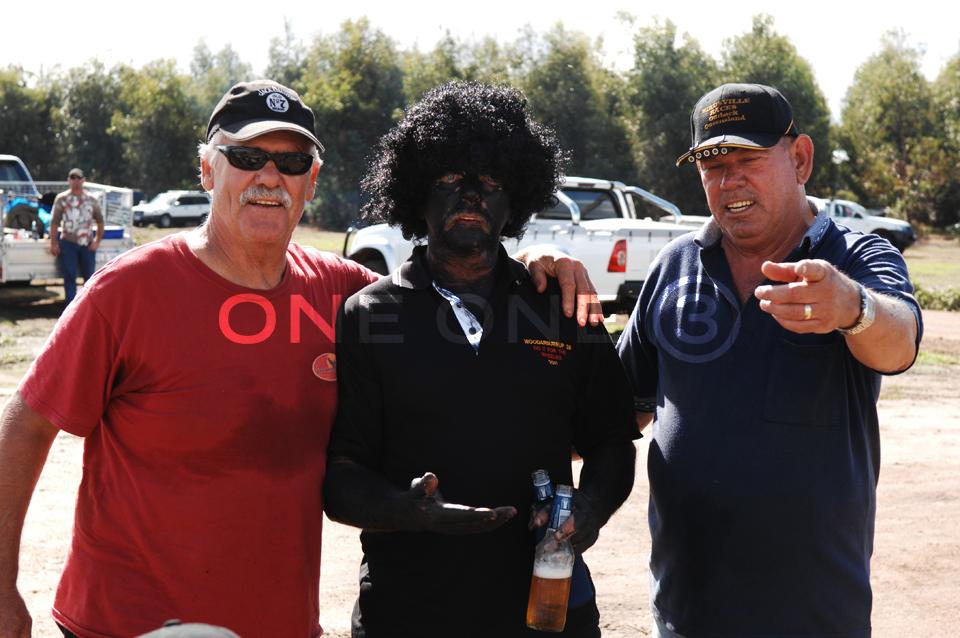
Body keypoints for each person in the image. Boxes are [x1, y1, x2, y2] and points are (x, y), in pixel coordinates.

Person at [0, 80, 599, 638]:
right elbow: (26, 425)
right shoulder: (129, 291)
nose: (270, 177)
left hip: (279, 622)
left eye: (291, 163)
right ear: (207, 169)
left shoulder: (348, 295)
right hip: (132, 621)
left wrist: (535, 264)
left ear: (310, 181)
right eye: (247, 157)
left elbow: (459, 296)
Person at [323, 81, 639, 638]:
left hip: (544, 611)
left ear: (515, 200)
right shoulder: (369, 314)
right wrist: (406, 509)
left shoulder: (563, 305)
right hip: (407, 612)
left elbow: (612, 442)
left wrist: (587, 513)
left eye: (491, 182)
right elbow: (343, 477)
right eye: (450, 179)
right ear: (416, 193)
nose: (471, 196)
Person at [617, 83, 923, 638]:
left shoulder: (855, 256)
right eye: (713, 165)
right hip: (685, 614)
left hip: (813, 618)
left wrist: (852, 308)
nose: (729, 181)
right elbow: (613, 411)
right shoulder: (674, 266)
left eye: (748, 160)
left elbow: (900, 341)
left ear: (800, 159)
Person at [49, 168, 105, 304]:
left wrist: (97, 241)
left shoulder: (91, 199)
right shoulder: (62, 199)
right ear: (68, 180)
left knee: (90, 278)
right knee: (69, 276)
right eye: (72, 178)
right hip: (68, 243)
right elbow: (54, 222)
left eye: (78, 178)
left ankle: (88, 306)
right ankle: (71, 306)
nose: (75, 181)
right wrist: (53, 243)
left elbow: (100, 221)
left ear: (83, 180)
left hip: (87, 244)